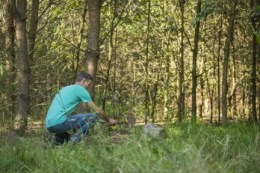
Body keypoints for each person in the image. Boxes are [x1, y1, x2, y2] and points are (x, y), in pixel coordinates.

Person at [45, 71, 117, 145]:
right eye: (89, 85)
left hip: (49, 125)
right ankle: (73, 141)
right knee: (93, 117)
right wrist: (109, 120)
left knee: (64, 140)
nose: (88, 87)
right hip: (60, 123)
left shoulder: (64, 89)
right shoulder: (80, 89)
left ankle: (59, 143)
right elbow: (97, 110)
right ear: (83, 81)